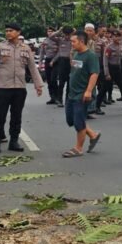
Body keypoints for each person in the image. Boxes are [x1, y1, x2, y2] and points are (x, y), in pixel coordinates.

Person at [0, 22, 43, 154]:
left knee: (16, 116)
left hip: (19, 88)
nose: (8, 33)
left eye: (11, 31)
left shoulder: (26, 49)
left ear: (18, 32)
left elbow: (32, 68)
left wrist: (38, 85)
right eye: (7, 30)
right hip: (2, 87)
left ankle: (14, 141)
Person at [63, 30, 102, 158]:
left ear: (81, 41)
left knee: (79, 121)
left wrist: (89, 91)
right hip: (72, 94)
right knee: (71, 119)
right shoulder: (76, 54)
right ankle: (92, 135)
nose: (72, 44)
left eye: (73, 41)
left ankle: (78, 148)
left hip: (82, 94)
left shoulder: (90, 56)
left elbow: (94, 74)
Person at [51, 25, 74, 106]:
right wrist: (60, 30)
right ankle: (59, 99)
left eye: (69, 34)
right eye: (66, 34)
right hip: (62, 61)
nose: (67, 36)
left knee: (70, 82)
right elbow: (51, 36)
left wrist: (73, 32)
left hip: (71, 62)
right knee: (61, 82)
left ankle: (68, 99)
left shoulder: (74, 40)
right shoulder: (60, 40)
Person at [41, 26, 60, 104]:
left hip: (55, 61)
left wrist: (53, 60)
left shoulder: (57, 40)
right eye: (48, 31)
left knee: (53, 79)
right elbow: (42, 52)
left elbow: (60, 52)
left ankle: (57, 97)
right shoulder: (45, 41)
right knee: (49, 80)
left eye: (51, 31)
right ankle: (52, 97)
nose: (49, 33)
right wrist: (40, 62)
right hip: (47, 60)